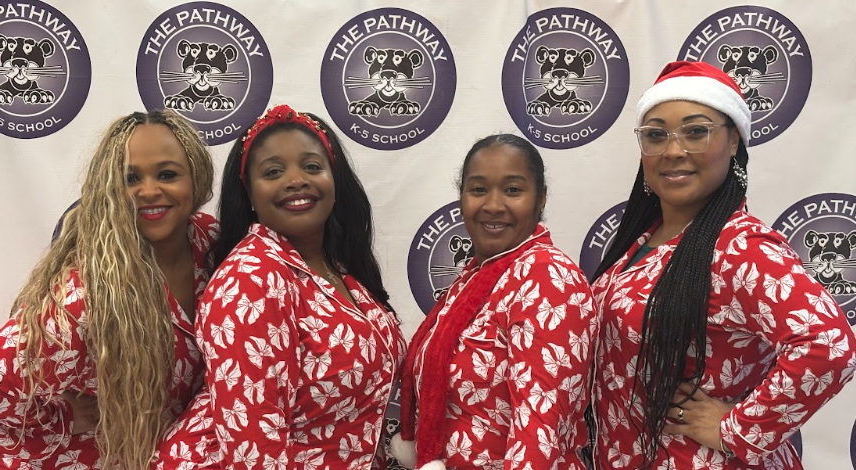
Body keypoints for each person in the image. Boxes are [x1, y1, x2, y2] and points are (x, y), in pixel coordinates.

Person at [589, 61, 856, 470]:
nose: (673, 150)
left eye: (696, 132)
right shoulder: (641, 241)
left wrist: (737, 429)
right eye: (656, 134)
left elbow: (829, 346)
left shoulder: (740, 248)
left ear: (733, 141)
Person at [0, 110, 218, 470]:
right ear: (109, 189)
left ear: (197, 177)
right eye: (130, 178)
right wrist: (64, 418)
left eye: (167, 174)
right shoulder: (85, 298)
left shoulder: (209, 241)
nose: (149, 191)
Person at [155, 104, 405, 470]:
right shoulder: (250, 279)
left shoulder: (338, 268)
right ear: (250, 193)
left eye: (312, 167)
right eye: (273, 172)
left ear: (334, 180)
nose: (296, 180)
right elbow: (254, 453)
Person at [391, 134, 597, 470]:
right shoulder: (476, 277)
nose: (493, 205)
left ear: (541, 198)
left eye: (513, 190)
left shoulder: (546, 277)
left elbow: (539, 438)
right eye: (478, 190)